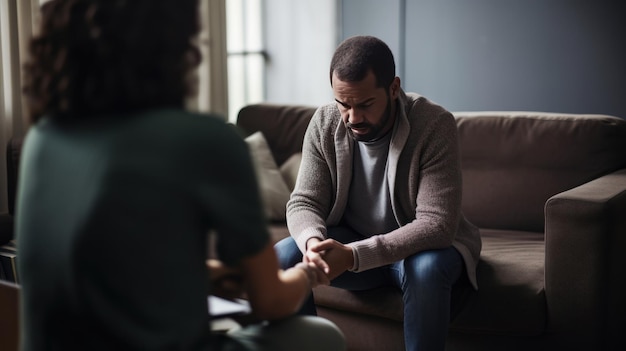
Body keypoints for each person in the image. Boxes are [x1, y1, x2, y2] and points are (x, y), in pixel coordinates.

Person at [15, 1, 345, 350]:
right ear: (172, 43)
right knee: (321, 336)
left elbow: (106, 265)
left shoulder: (42, 139)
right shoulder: (204, 140)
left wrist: (207, 275)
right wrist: (311, 272)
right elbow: (271, 302)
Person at [275, 35, 482, 351]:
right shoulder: (324, 122)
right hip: (355, 240)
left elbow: (437, 225)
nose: (353, 118)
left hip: (419, 250)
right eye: (343, 104)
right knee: (287, 253)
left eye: (365, 104)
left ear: (394, 88)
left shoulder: (434, 123)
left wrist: (354, 255)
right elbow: (304, 201)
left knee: (424, 269)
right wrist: (313, 244)